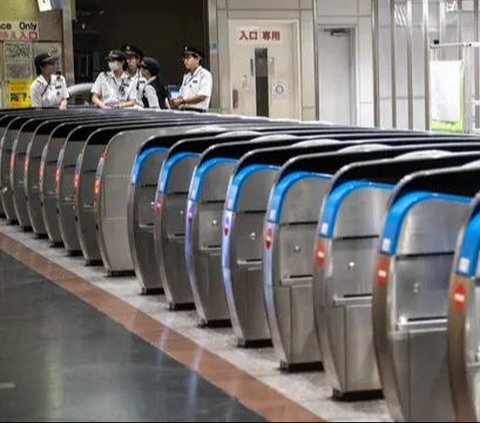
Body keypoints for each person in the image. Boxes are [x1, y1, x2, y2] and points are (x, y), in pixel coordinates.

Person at [171, 46, 213, 112]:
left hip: (197, 112)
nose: (185, 61)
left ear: (197, 59)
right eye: (184, 59)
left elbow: (202, 96)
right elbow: (181, 95)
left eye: (188, 58)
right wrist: (175, 100)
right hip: (184, 111)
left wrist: (183, 101)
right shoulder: (187, 76)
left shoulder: (204, 74)